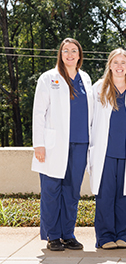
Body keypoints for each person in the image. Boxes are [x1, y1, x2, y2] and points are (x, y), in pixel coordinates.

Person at [32, 38, 93, 251]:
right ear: (60, 54)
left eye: (73, 50)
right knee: (51, 190)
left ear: (79, 55)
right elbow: (39, 113)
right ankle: (53, 235)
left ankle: (68, 233)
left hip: (80, 143)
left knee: (72, 191)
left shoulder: (85, 78)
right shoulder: (48, 78)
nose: (69, 54)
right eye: (65, 50)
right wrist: (38, 144)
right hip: (53, 145)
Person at [89, 49, 126, 249]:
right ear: (110, 65)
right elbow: (90, 121)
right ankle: (104, 238)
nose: (119, 66)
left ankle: (123, 236)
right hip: (104, 153)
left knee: (125, 196)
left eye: (123, 62)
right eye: (116, 62)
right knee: (105, 196)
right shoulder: (98, 88)